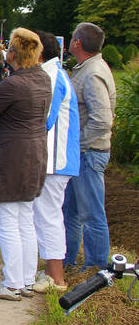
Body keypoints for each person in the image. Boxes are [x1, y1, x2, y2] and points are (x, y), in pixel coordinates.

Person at [0, 28, 51, 301]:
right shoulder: (42, 78)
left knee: (7, 222)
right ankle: (25, 280)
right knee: (25, 219)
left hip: (11, 156)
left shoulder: (13, 85)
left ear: (13, 53)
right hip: (34, 154)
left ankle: (11, 284)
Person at [64, 22, 116, 269]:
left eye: (73, 38)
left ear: (78, 43)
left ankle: (96, 270)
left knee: (91, 215)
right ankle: (67, 261)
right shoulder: (86, 68)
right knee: (70, 210)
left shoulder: (93, 73)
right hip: (83, 153)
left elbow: (102, 120)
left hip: (89, 153)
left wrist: (80, 144)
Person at [31, 30, 79, 293]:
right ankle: (52, 270)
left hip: (54, 159)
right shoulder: (53, 73)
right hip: (54, 158)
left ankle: (56, 277)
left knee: (48, 215)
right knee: (47, 214)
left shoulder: (50, 76)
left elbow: (43, 118)